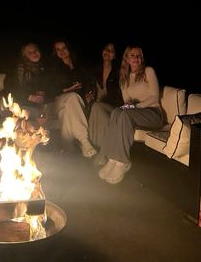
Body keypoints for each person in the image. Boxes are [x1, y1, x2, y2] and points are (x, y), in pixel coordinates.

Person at [98, 45, 163, 184]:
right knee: (116, 112)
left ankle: (122, 162)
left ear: (142, 58)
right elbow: (128, 102)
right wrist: (129, 106)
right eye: (132, 55)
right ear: (126, 58)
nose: (136, 58)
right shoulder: (124, 78)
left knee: (125, 115)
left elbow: (155, 96)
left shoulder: (148, 71)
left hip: (153, 114)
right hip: (137, 112)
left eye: (139, 55)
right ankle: (112, 159)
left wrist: (136, 106)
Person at [49, 37, 97, 158]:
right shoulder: (53, 68)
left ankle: (68, 148)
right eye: (58, 49)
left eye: (64, 48)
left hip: (72, 104)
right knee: (72, 97)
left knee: (66, 112)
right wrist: (67, 90)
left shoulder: (79, 68)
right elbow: (48, 91)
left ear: (69, 49)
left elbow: (86, 86)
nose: (61, 51)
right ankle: (84, 141)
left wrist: (87, 97)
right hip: (55, 102)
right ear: (55, 52)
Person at [88, 42, 123, 164]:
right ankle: (96, 149)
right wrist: (88, 97)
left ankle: (102, 152)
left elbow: (121, 95)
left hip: (114, 107)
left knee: (98, 108)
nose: (107, 52)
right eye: (105, 49)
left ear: (115, 56)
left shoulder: (118, 72)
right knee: (95, 108)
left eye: (111, 50)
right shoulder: (95, 70)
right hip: (97, 105)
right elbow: (90, 90)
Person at [3, 42, 52, 124]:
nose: (34, 54)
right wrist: (28, 96)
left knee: (40, 113)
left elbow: (50, 89)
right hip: (18, 102)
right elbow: (10, 87)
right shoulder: (17, 68)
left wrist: (45, 104)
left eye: (35, 50)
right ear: (24, 56)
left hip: (37, 105)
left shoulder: (45, 68)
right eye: (30, 52)